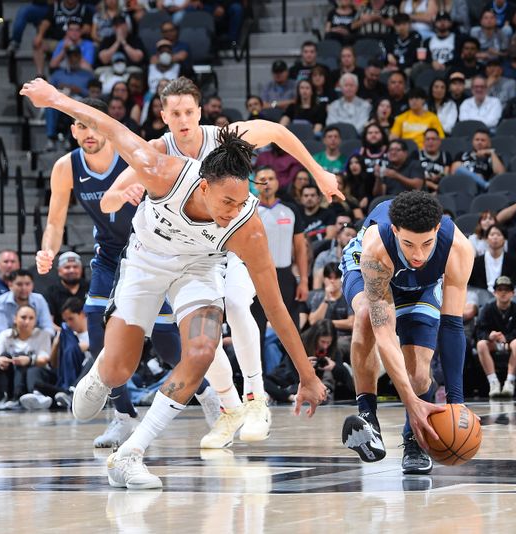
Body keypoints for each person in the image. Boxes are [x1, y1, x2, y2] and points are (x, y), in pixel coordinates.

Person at [20, 77, 329, 488]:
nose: (232, 211)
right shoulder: (160, 168)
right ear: (203, 185)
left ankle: (132, 454)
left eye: (240, 202)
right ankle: (100, 373)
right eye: (225, 202)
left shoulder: (247, 225)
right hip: (146, 263)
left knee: (202, 349)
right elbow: (111, 126)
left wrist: (307, 376)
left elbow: (275, 308)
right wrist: (54, 99)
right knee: (118, 370)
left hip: (198, 268)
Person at [37, 96, 189, 448]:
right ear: (72, 130)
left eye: (92, 123)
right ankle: (122, 416)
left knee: (167, 343)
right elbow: (55, 220)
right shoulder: (66, 167)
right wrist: (48, 249)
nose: (87, 132)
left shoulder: (130, 153)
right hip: (108, 253)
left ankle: (212, 397)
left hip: (148, 252)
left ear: (105, 123)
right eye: (79, 125)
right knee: (94, 317)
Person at [339, 191, 474, 475]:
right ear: (396, 230)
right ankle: (368, 417)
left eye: (427, 244)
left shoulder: (458, 248)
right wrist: (410, 402)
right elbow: (385, 334)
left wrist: (456, 402)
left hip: (421, 286)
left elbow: (451, 326)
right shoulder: (376, 247)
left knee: (419, 374)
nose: (418, 254)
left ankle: (414, 439)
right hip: (372, 272)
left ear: (437, 229)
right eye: (409, 244)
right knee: (365, 314)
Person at [0, 304, 54, 410]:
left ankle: (20, 397)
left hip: (34, 375)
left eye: (31, 318)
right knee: (4, 356)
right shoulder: (5, 335)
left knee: (24, 360)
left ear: (35, 321)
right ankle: (2, 396)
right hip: (11, 375)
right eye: (23, 317)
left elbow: (44, 359)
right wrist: (0, 360)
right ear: (15, 319)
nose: (27, 321)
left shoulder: (43, 335)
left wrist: (29, 360)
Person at [475, 275, 516, 398]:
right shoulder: (487, 309)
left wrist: (506, 338)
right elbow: (479, 331)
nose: (503, 293)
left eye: (506, 290)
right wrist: (489, 335)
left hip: (510, 343)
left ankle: (510, 381)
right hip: (493, 343)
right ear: (494, 293)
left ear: (513, 293)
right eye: (500, 290)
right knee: (481, 345)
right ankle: (493, 382)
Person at [0, 269, 55, 341]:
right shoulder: (0, 302)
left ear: (32, 285)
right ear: (10, 285)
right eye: (19, 284)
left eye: (27, 284)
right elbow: (0, 332)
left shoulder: (39, 300)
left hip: (35, 342)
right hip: (7, 344)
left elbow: (48, 328)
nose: (24, 288)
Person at [469, 225, 516, 292]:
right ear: (486, 239)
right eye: (492, 234)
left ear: (504, 239)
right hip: (482, 297)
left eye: (499, 235)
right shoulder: (477, 262)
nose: (495, 237)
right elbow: (473, 285)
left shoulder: (513, 261)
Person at [42, 251, 89, 325]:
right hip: (60, 334)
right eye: (67, 267)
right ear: (59, 271)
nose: (72, 270)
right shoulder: (51, 292)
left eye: (75, 267)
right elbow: (49, 322)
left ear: (81, 270)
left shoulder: (91, 289)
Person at [415, 128, 452, 193]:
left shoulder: (446, 155)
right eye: (428, 139)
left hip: (441, 192)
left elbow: (446, 174)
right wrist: (434, 186)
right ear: (424, 142)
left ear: (439, 141)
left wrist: (439, 176)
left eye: (433, 139)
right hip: (420, 191)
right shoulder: (416, 155)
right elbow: (414, 176)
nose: (430, 142)